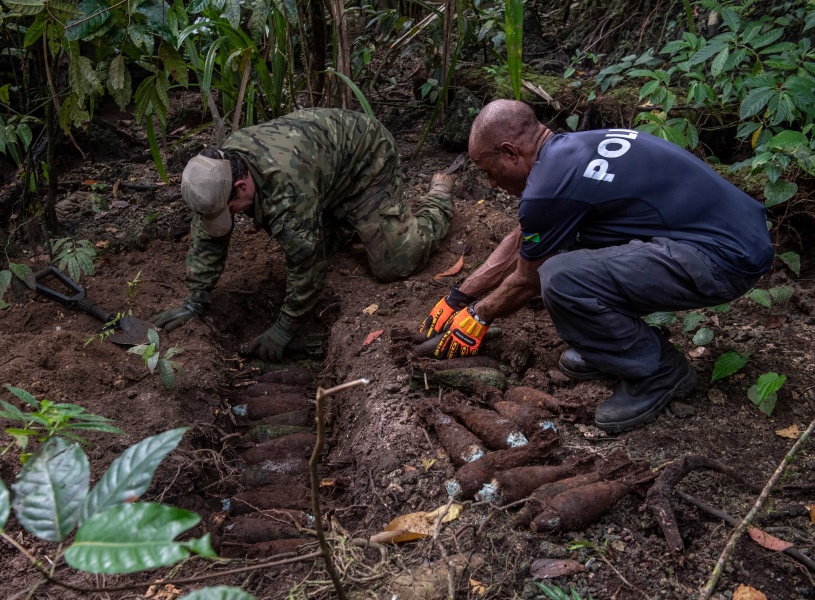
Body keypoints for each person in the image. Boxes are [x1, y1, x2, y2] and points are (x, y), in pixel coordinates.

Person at [420, 99, 774, 433]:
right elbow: (527, 233)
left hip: (723, 258)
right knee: (567, 252)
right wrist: (459, 296)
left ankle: (659, 371)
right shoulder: (569, 151)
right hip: (733, 237)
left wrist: (478, 317)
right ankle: (613, 347)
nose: (492, 183)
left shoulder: (549, 187)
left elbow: (526, 281)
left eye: (489, 171)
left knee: (558, 277)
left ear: (510, 152)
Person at [153, 108, 454, 361]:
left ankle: (438, 200)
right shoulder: (217, 170)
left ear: (241, 186)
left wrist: (284, 328)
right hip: (323, 170)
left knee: (395, 262)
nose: (231, 216)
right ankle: (346, 223)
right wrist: (195, 299)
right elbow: (208, 236)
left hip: (365, 159)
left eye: (230, 208)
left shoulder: (288, 190)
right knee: (318, 238)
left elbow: (307, 266)